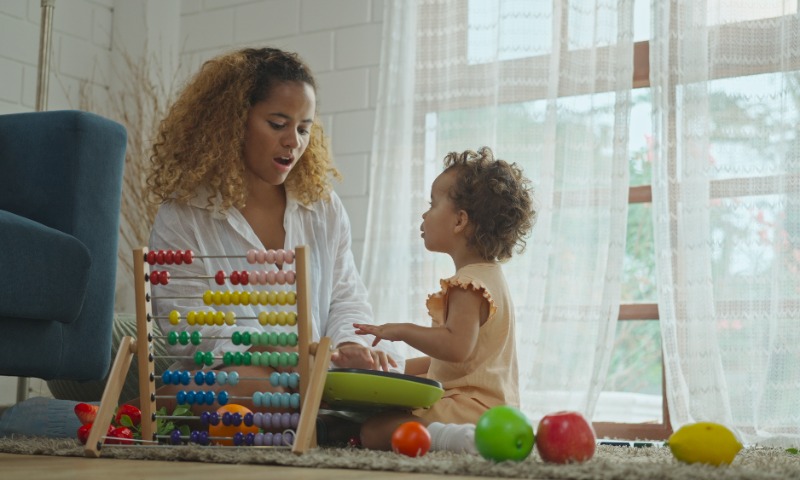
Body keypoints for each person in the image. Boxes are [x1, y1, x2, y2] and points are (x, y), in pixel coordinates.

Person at [145, 47, 401, 414]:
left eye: (303, 129)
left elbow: (346, 297)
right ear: (233, 123)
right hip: (233, 374)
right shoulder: (183, 214)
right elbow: (186, 325)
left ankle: (329, 413)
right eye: (278, 125)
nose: (293, 142)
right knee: (244, 386)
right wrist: (266, 348)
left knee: (411, 369)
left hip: (315, 371)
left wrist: (349, 344)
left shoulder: (322, 206)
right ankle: (334, 416)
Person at [353, 146, 536, 453]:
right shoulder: (490, 276)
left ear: (459, 221)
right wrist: (397, 371)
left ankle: (453, 439)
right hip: (491, 408)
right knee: (384, 417)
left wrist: (401, 330)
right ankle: (458, 435)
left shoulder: (467, 284)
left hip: (470, 410)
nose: (424, 214)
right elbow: (460, 362)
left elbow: (455, 347)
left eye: (432, 204)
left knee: (374, 430)